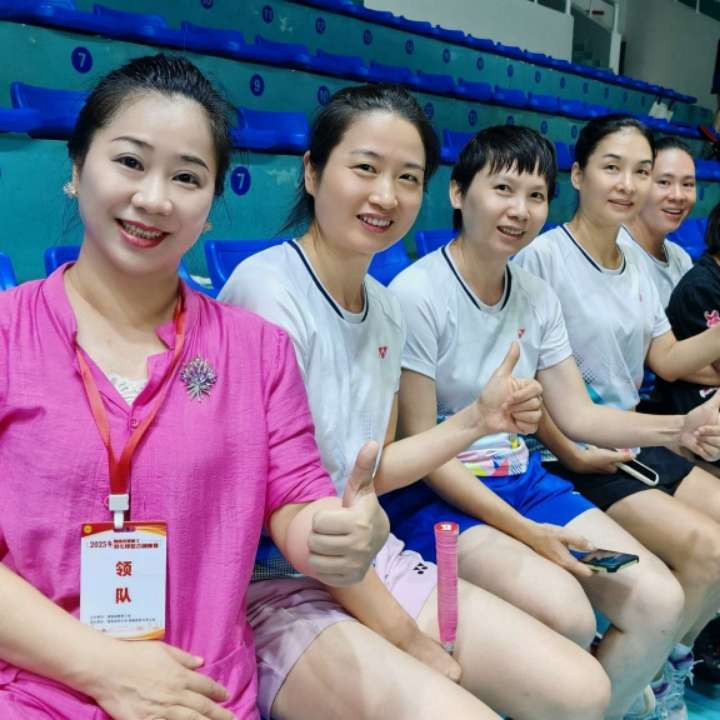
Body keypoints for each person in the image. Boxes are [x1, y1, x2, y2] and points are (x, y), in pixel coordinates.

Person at [0, 54, 390, 720]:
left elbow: (296, 501)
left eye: (187, 177)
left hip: (201, 696)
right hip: (33, 690)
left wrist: (336, 535)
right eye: (130, 162)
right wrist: (104, 667)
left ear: (209, 207)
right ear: (76, 168)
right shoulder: (8, 334)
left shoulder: (256, 350)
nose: (155, 199)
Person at [220, 85, 612, 720]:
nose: (386, 195)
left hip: (370, 560)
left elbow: (368, 472)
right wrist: (404, 637)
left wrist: (477, 421)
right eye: (365, 168)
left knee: (583, 690)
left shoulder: (384, 308)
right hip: (276, 580)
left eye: (407, 177)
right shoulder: (268, 293)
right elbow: (283, 505)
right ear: (313, 171)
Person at [384, 124, 720, 720]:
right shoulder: (416, 293)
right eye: (503, 190)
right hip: (440, 496)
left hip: (525, 480)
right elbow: (424, 451)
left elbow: (578, 414)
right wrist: (527, 531)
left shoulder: (536, 295)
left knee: (660, 601)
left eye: (535, 196)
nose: (520, 210)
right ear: (458, 193)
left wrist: (677, 431)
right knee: (567, 614)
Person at [514, 114, 720, 719]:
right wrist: (572, 450)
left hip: (626, 437)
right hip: (566, 450)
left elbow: (668, 357)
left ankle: (657, 672)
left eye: (641, 171)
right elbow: (526, 386)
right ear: (578, 175)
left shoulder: (633, 263)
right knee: (707, 550)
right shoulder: (543, 258)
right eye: (612, 168)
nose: (628, 184)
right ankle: (629, 691)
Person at [619, 136, 696, 308]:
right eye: (664, 182)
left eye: (688, 184)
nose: (678, 196)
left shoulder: (681, 258)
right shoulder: (614, 255)